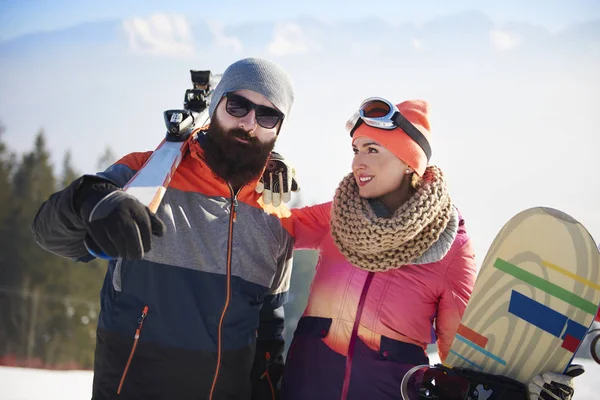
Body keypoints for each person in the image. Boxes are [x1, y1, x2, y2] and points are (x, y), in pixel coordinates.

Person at [278, 97, 583, 400]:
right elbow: (265, 226)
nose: (358, 162)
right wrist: (264, 173)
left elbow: (465, 364)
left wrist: (528, 391)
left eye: (373, 150)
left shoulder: (451, 247)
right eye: (356, 150)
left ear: (409, 162)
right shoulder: (339, 216)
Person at [32, 57, 296, 400]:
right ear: (216, 106)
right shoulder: (147, 177)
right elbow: (48, 232)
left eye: (267, 115)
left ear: (277, 129)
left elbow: (268, 336)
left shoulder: (274, 216)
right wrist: (89, 200)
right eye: (238, 105)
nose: (249, 123)